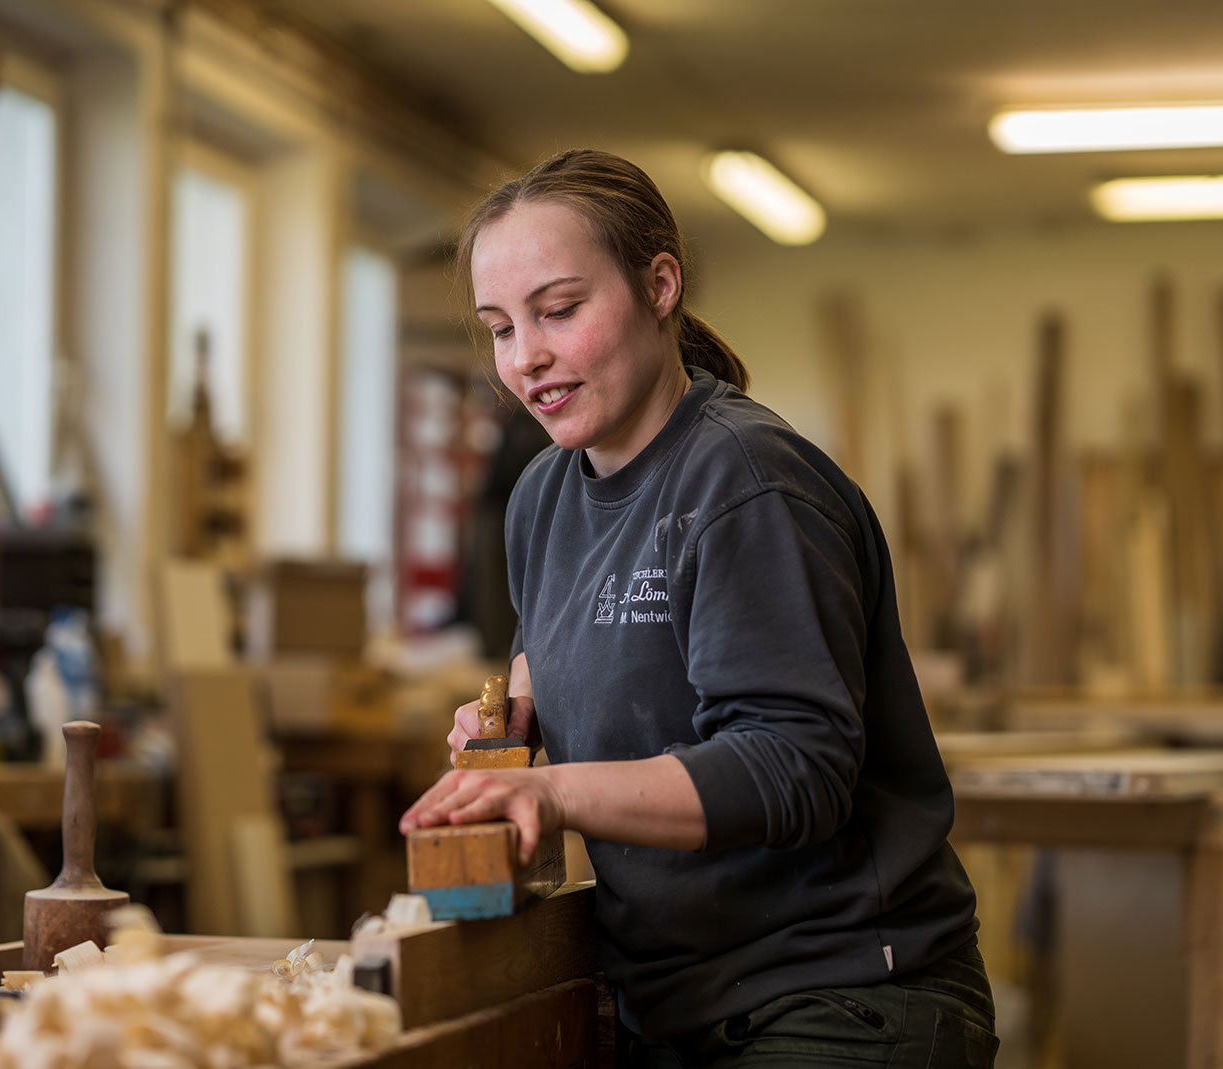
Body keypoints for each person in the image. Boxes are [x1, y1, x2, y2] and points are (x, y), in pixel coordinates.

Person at [398, 149, 997, 1068]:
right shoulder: (543, 498)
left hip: (837, 998)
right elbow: (561, 641)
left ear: (660, 285)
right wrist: (511, 718)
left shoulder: (747, 483)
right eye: (500, 327)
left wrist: (550, 791)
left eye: (559, 311)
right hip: (671, 996)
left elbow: (795, 765)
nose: (528, 357)